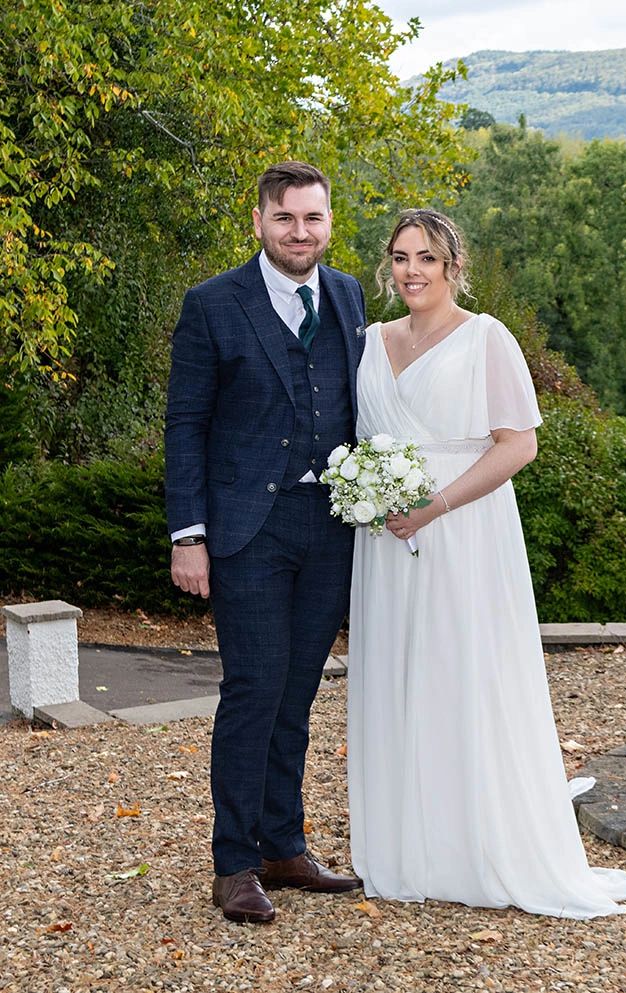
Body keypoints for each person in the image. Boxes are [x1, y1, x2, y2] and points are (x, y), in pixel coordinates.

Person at [347, 208, 626, 917]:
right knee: (398, 676)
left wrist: (434, 505)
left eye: (426, 257)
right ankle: (409, 844)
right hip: (384, 541)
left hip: (463, 531)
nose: (411, 270)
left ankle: (476, 842)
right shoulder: (366, 341)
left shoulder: (486, 337)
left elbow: (517, 445)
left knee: (463, 675)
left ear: (452, 266)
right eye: (400, 256)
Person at [164, 161, 366, 924]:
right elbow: (185, 425)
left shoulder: (347, 295)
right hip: (247, 529)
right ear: (259, 222)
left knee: (300, 690)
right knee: (253, 689)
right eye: (285, 218)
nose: (299, 232)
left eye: (312, 218)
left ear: (328, 223)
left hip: (329, 526)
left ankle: (284, 844)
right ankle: (234, 862)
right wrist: (190, 535)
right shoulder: (213, 303)